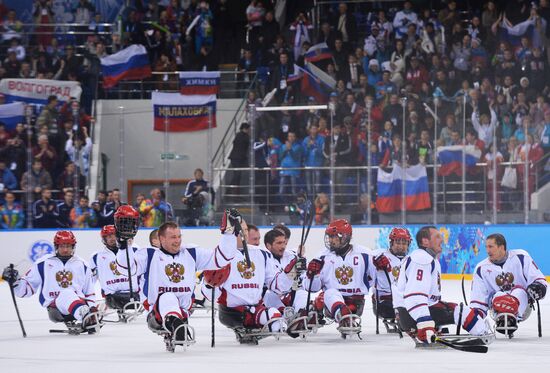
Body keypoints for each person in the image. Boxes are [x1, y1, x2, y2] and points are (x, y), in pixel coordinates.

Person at [115, 209, 239, 347]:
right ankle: (175, 323)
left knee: (173, 300)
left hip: (184, 312)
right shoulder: (149, 255)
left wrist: (229, 234)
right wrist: (123, 246)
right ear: (161, 239)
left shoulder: (191, 252)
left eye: (179, 236)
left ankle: (178, 324)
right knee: (168, 296)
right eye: (173, 237)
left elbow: (222, 258)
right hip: (157, 314)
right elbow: (125, 268)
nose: (178, 241)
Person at [203, 216, 301, 344]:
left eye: (244, 229)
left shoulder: (262, 254)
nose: (243, 233)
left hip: (256, 308)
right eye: (238, 230)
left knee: (275, 318)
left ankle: (275, 327)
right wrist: (210, 284)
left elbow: (276, 285)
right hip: (231, 312)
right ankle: (246, 328)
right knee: (268, 320)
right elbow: (210, 295)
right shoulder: (220, 256)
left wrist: (289, 273)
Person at [394, 226, 490, 345]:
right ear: (425, 241)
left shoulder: (425, 258)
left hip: (410, 313)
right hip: (413, 313)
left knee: (452, 308)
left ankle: (436, 327)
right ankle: (482, 332)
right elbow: (415, 296)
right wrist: (425, 324)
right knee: (462, 312)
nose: (442, 239)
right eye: (438, 236)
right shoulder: (422, 259)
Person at [2, 231, 100, 333]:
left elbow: (89, 292)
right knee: (66, 292)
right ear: (56, 246)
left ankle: (86, 314)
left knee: (70, 294)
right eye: (62, 246)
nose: (66, 249)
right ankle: (85, 316)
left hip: (79, 302)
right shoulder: (42, 263)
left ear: (73, 246)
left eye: (68, 246)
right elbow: (26, 290)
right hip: (55, 308)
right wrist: (15, 280)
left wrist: (92, 307)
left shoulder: (83, 264)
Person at [303, 219, 380, 336]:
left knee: (329, 293)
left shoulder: (366, 255)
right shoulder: (322, 256)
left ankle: (342, 315)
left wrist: (383, 269)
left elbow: (378, 281)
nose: (330, 240)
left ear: (345, 237)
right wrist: (312, 274)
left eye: (334, 237)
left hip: (355, 303)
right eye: (329, 236)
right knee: (329, 293)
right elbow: (311, 288)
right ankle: (343, 317)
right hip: (330, 303)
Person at [470, 233, 547, 337]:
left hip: (523, 308)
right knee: (498, 295)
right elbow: (478, 300)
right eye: (486, 247)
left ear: (501, 247)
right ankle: (505, 320)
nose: (488, 251)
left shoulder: (521, 257)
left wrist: (538, 287)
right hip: (497, 309)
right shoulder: (481, 268)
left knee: (519, 292)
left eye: (491, 247)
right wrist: (474, 319)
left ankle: (510, 319)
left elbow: (538, 279)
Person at [262, 229, 309, 337]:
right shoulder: (263, 258)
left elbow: (303, 277)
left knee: (302, 293)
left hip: (290, 295)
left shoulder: (291, 256)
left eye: (284, 242)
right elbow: (275, 287)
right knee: (269, 295)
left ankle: (301, 316)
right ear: (268, 246)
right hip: (273, 297)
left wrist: (303, 264)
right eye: (279, 243)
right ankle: (287, 315)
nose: (283, 246)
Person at [90, 225, 140, 315]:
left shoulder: (134, 250)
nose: (113, 238)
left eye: (114, 235)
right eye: (109, 236)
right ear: (104, 239)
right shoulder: (97, 256)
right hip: (112, 297)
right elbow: (90, 281)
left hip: (133, 295)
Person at [371, 227, 412, 329]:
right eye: (398, 243)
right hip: (384, 303)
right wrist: (374, 263)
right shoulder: (379, 255)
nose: (401, 246)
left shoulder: (411, 260)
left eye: (404, 243)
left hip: (404, 300)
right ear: (391, 243)